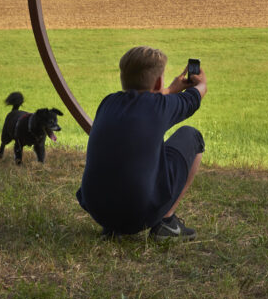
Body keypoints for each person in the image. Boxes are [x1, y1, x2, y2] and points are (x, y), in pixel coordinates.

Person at [76, 45, 207, 241]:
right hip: (138, 215)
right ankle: (167, 222)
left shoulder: (108, 103)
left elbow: (143, 103)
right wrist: (201, 83)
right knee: (191, 136)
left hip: (99, 211)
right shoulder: (159, 107)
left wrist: (170, 89)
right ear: (158, 82)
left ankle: (113, 228)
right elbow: (195, 96)